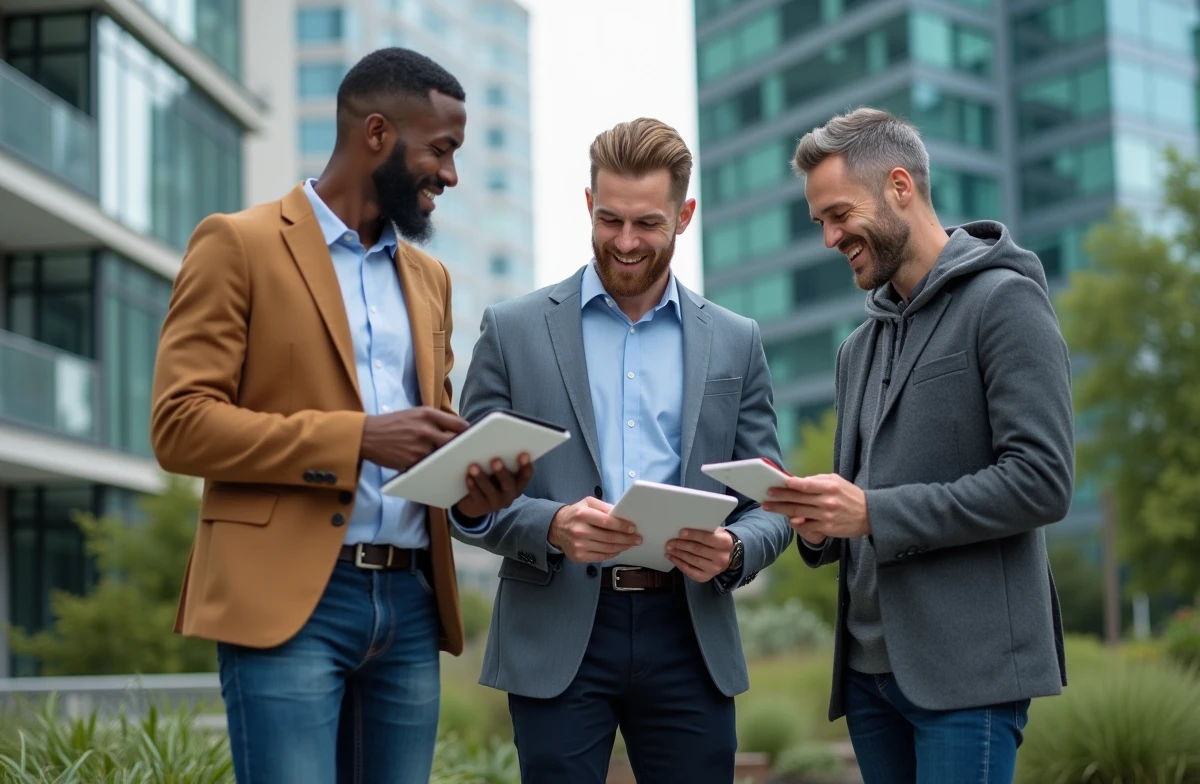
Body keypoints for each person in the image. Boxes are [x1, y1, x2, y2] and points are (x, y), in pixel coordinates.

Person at [149, 48, 532, 784]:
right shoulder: (238, 244)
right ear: (378, 134)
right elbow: (180, 424)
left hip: (411, 598)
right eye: (441, 150)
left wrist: (475, 485)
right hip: (288, 603)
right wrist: (357, 439)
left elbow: (430, 436)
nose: (450, 174)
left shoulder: (430, 278)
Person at [452, 117, 793, 783]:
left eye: (647, 224)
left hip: (689, 632)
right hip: (557, 627)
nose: (626, 242)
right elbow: (465, 500)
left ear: (685, 214)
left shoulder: (735, 340)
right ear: (588, 205)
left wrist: (735, 550)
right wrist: (549, 524)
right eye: (609, 220)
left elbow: (772, 501)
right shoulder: (512, 330)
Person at [762, 107, 1074, 783]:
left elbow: (1042, 481)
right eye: (819, 221)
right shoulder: (857, 348)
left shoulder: (1004, 303)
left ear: (900, 187)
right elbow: (864, 502)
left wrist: (872, 512)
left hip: (968, 675)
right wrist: (820, 521)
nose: (828, 238)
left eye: (838, 214)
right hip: (870, 676)